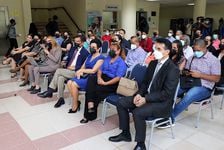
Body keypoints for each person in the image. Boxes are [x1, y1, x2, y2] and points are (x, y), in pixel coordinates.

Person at [108, 38, 179, 150]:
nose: (155, 51)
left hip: (162, 103)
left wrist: (146, 99)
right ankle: (125, 133)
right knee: (121, 102)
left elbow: (167, 93)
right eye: (155, 48)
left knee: (138, 112)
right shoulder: (153, 63)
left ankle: (141, 144)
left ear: (167, 52)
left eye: (159, 49)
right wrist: (139, 94)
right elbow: (145, 83)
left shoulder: (172, 69)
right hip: (146, 96)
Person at [159, 39, 221, 128]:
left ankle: (169, 118)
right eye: (194, 50)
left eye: (198, 50)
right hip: (190, 82)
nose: (196, 52)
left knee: (188, 96)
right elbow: (186, 70)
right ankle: (161, 112)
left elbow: (217, 79)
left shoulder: (213, 60)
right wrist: (186, 72)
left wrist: (200, 75)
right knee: (172, 90)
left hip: (205, 86)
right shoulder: (192, 57)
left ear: (205, 48)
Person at [80, 43, 127, 124]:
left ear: (119, 51)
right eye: (110, 49)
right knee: (91, 79)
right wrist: (99, 78)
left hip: (113, 83)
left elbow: (117, 78)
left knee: (95, 89)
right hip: (103, 77)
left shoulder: (121, 63)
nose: (111, 51)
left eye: (113, 50)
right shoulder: (107, 58)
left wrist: (105, 83)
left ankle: (89, 115)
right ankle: (90, 104)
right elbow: (100, 70)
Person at [38, 35, 89, 108]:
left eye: (78, 41)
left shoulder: (85, 53)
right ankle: (60, 98)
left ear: (83, 42)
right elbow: (68, 59)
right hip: (68, 69)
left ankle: (50, 90)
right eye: (75, 41)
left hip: (76, 72)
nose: (76, 43)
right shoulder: (73, 49)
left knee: (58, 71)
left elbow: (84, 66)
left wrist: (74, 68)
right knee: (60, 78)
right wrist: (64, 63)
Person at [67, 39, 104, 113]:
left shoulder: (101, 58)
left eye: (94, 47)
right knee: (69, 82)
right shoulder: (89, 56)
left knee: (73, 84)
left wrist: (82, 71)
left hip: (92, 78)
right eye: (90, 46)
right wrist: (79, 72)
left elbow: (93, 70)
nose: (91, 48)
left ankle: (75, 106)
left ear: (99, 48)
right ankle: (77, 102)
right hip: (85, 76)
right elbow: (82, 67)